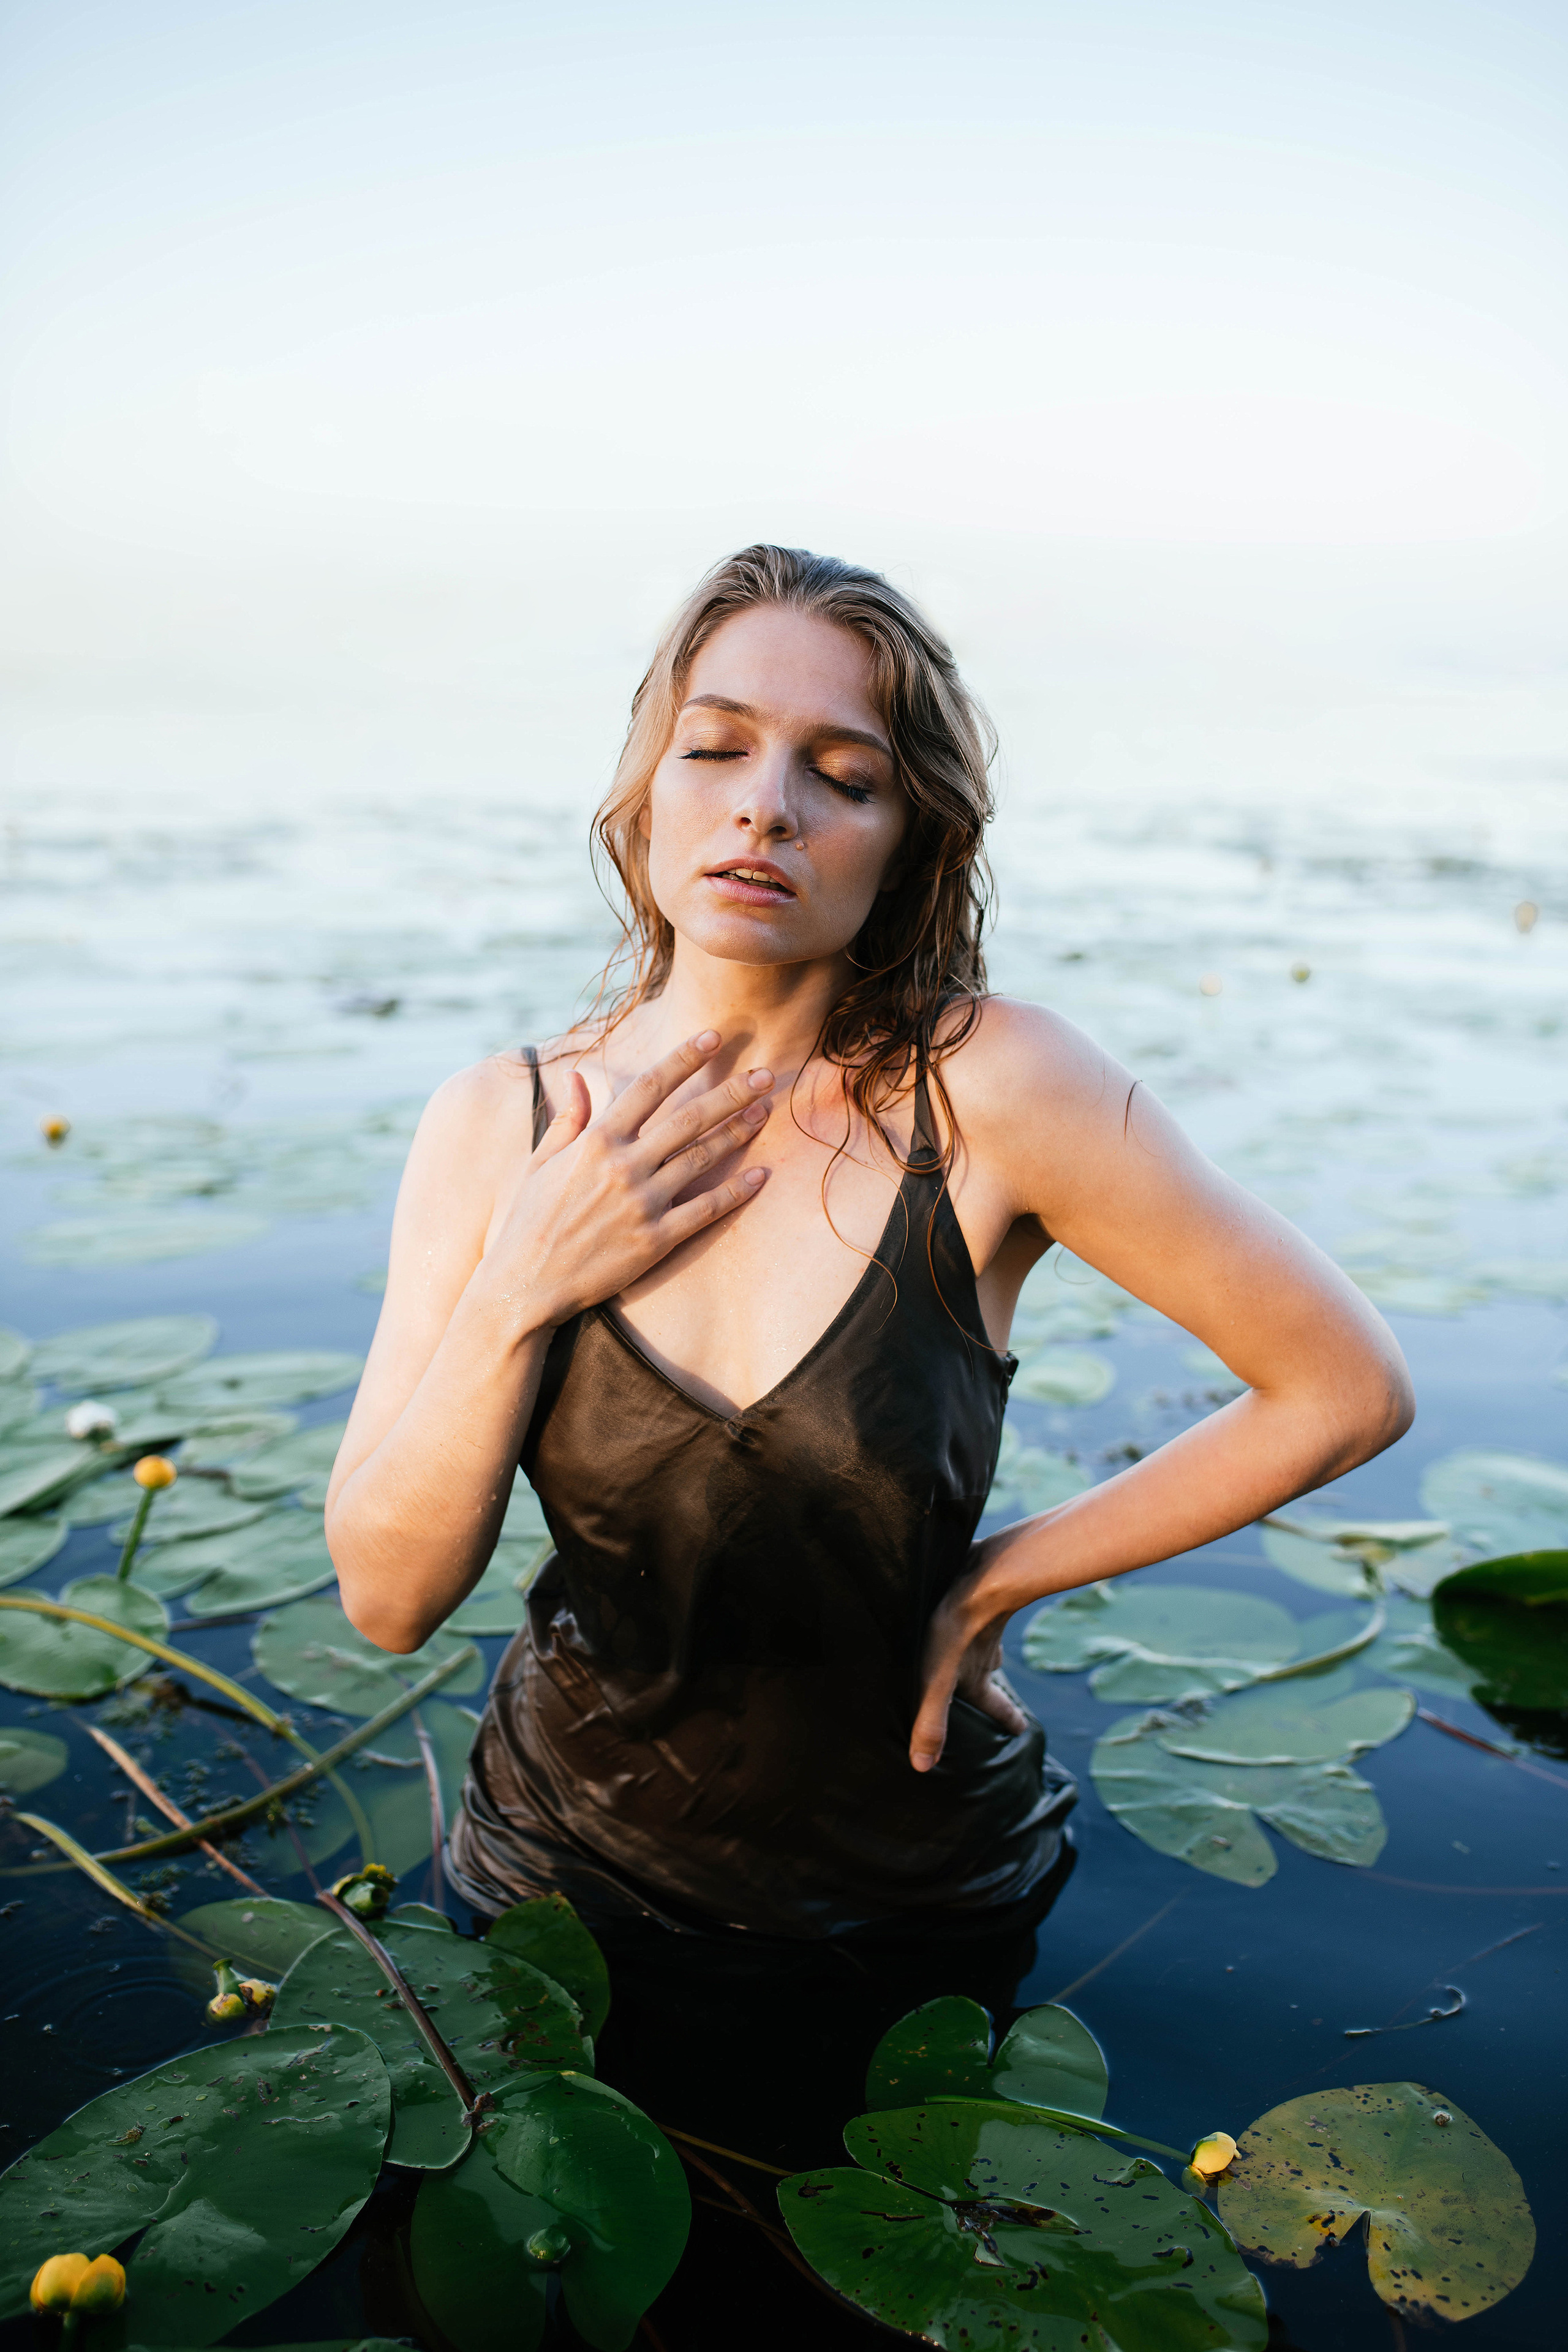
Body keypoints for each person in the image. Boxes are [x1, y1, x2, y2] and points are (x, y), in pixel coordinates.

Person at [325, 541, 1412, 1988]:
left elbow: (1340, 1389)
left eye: (842, 776)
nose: (764, 807)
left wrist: (997, 1579)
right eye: (715, 747)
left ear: (907, 836)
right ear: (647, 787)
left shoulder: (993, 1093)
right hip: (552, 1884)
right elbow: (389, 1603)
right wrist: (520, 1283)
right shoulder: (496, 1125)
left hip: (919, 1903)